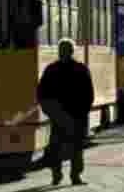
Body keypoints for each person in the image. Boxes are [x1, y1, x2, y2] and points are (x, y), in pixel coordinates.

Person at [36, 38, 95, 186]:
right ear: (72, 51)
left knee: (56, 147)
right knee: (76, 147)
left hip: (59, 116)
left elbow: (42, 94)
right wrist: (83, 112)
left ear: (59, 52)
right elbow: (88, 94)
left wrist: (51, 112)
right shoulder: (81, 69)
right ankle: (75, 176)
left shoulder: (51, 70)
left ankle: (57, 175)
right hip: (76, 115)